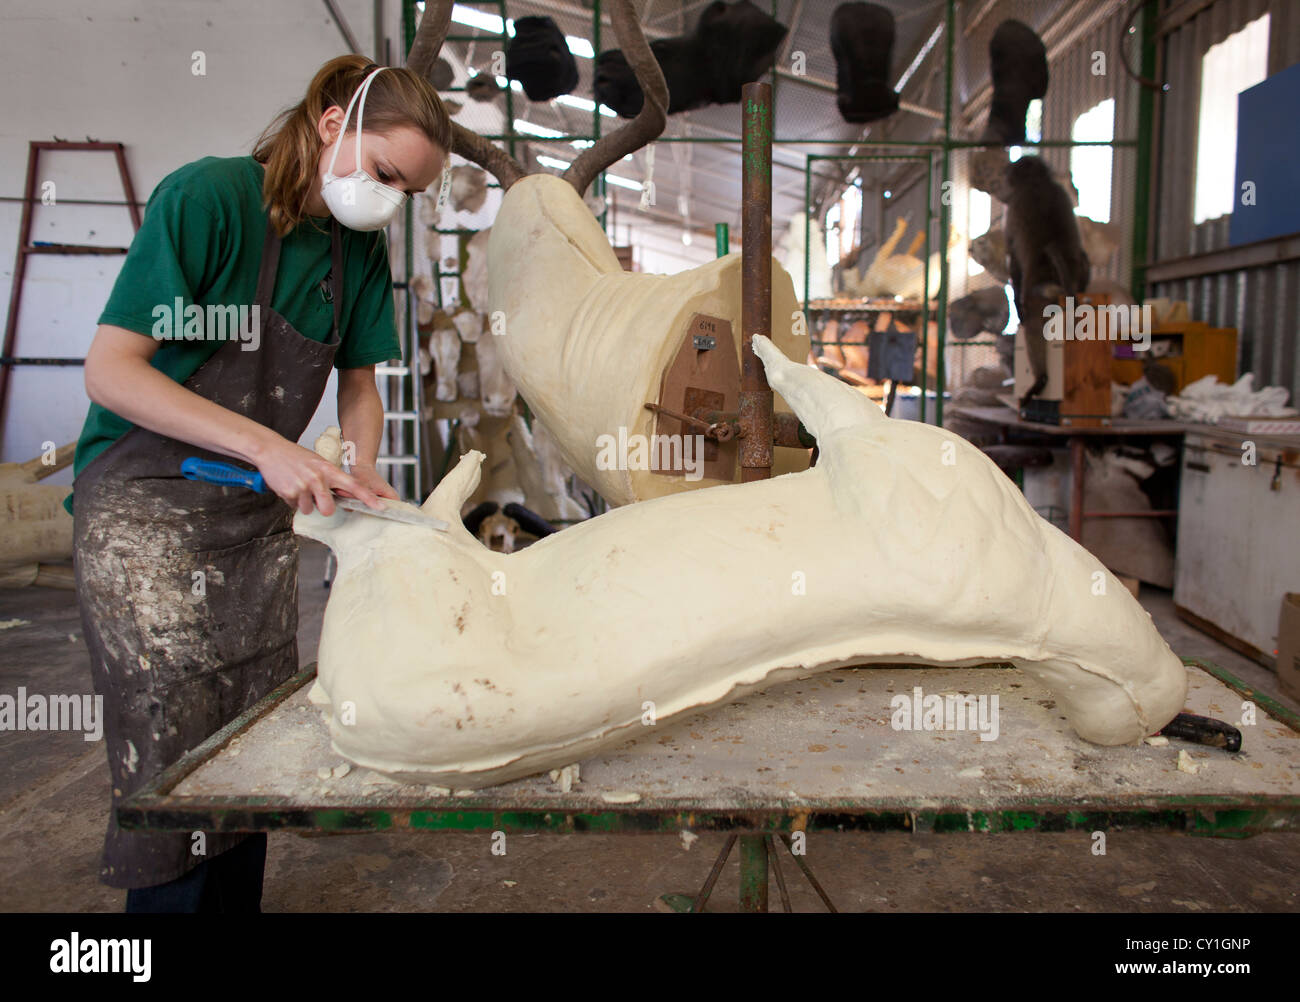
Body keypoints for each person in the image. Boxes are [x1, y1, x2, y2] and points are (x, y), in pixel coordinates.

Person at [68, 54, 449, 912]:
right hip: (147, 516)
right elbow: (112, 371)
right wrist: (268, 449)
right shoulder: (207, 200)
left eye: (406, 192)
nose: (386, 199)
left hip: (250, 523)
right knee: (178, 767)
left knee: (253, 752)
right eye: (384, 172)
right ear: (329, 123)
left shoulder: (358, 247)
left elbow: (359, 385)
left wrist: (359, 471)